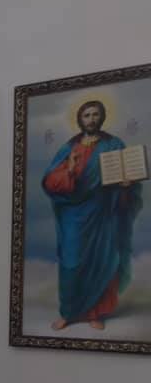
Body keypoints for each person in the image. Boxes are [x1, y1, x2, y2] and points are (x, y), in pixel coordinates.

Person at [42, 100, 144, 330]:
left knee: (101, 261)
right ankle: (69, 312)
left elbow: (127, 176)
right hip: (73, 215)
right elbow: (50, 181)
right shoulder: (69, 147)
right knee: (71, 263)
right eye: (86, 115)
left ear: (102, 117)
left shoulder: (114, 144)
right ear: (80, 119)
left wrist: (126, 186)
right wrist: (69, 170)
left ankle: (95, 313)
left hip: (103, 213)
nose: (91, 119)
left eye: (95, 114)